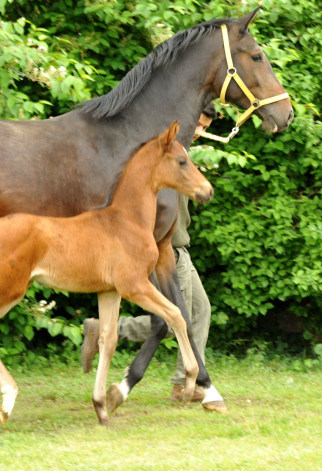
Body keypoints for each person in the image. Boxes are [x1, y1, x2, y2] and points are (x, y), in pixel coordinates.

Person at [81, 103, 216, 403]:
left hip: (181, 245)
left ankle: (183, 380)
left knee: (201, 310)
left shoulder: (181, 159)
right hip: (165, 250)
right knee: (173, 319)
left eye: (206, 128)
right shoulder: (164, 157)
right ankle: (182, 380)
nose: (201, 131)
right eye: (199, 125)